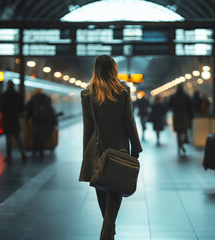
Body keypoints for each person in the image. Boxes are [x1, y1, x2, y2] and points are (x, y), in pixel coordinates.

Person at [79, 55, 142, 240]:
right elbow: (129, 122)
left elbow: (87, 128)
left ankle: (108, 229)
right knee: (115, 190)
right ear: (114, 70)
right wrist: (136, 147)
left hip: (96, 150)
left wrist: (86, 155)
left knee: (101, 188)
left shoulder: (86, 94)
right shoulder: (122, 91)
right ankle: (107, 231)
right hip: (119, 149)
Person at [0, 80, 27, 163]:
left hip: (7, 119)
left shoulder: (3, 95)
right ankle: (23, 153)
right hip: (15, 119)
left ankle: (9, 156)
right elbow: (22, 108)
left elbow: (0, 108)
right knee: (18, 137)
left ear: (7, 85)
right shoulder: (18, 96)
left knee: (8, 139)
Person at [26, 88, 55, 159]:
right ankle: (41, 151)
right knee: (42, 135)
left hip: (36, 120)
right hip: (45, 121)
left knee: (35, 135)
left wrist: (28, 118)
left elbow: (28, 108)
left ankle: (35, 150)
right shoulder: (46, 98)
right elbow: (50, 109)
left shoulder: (33, 98)